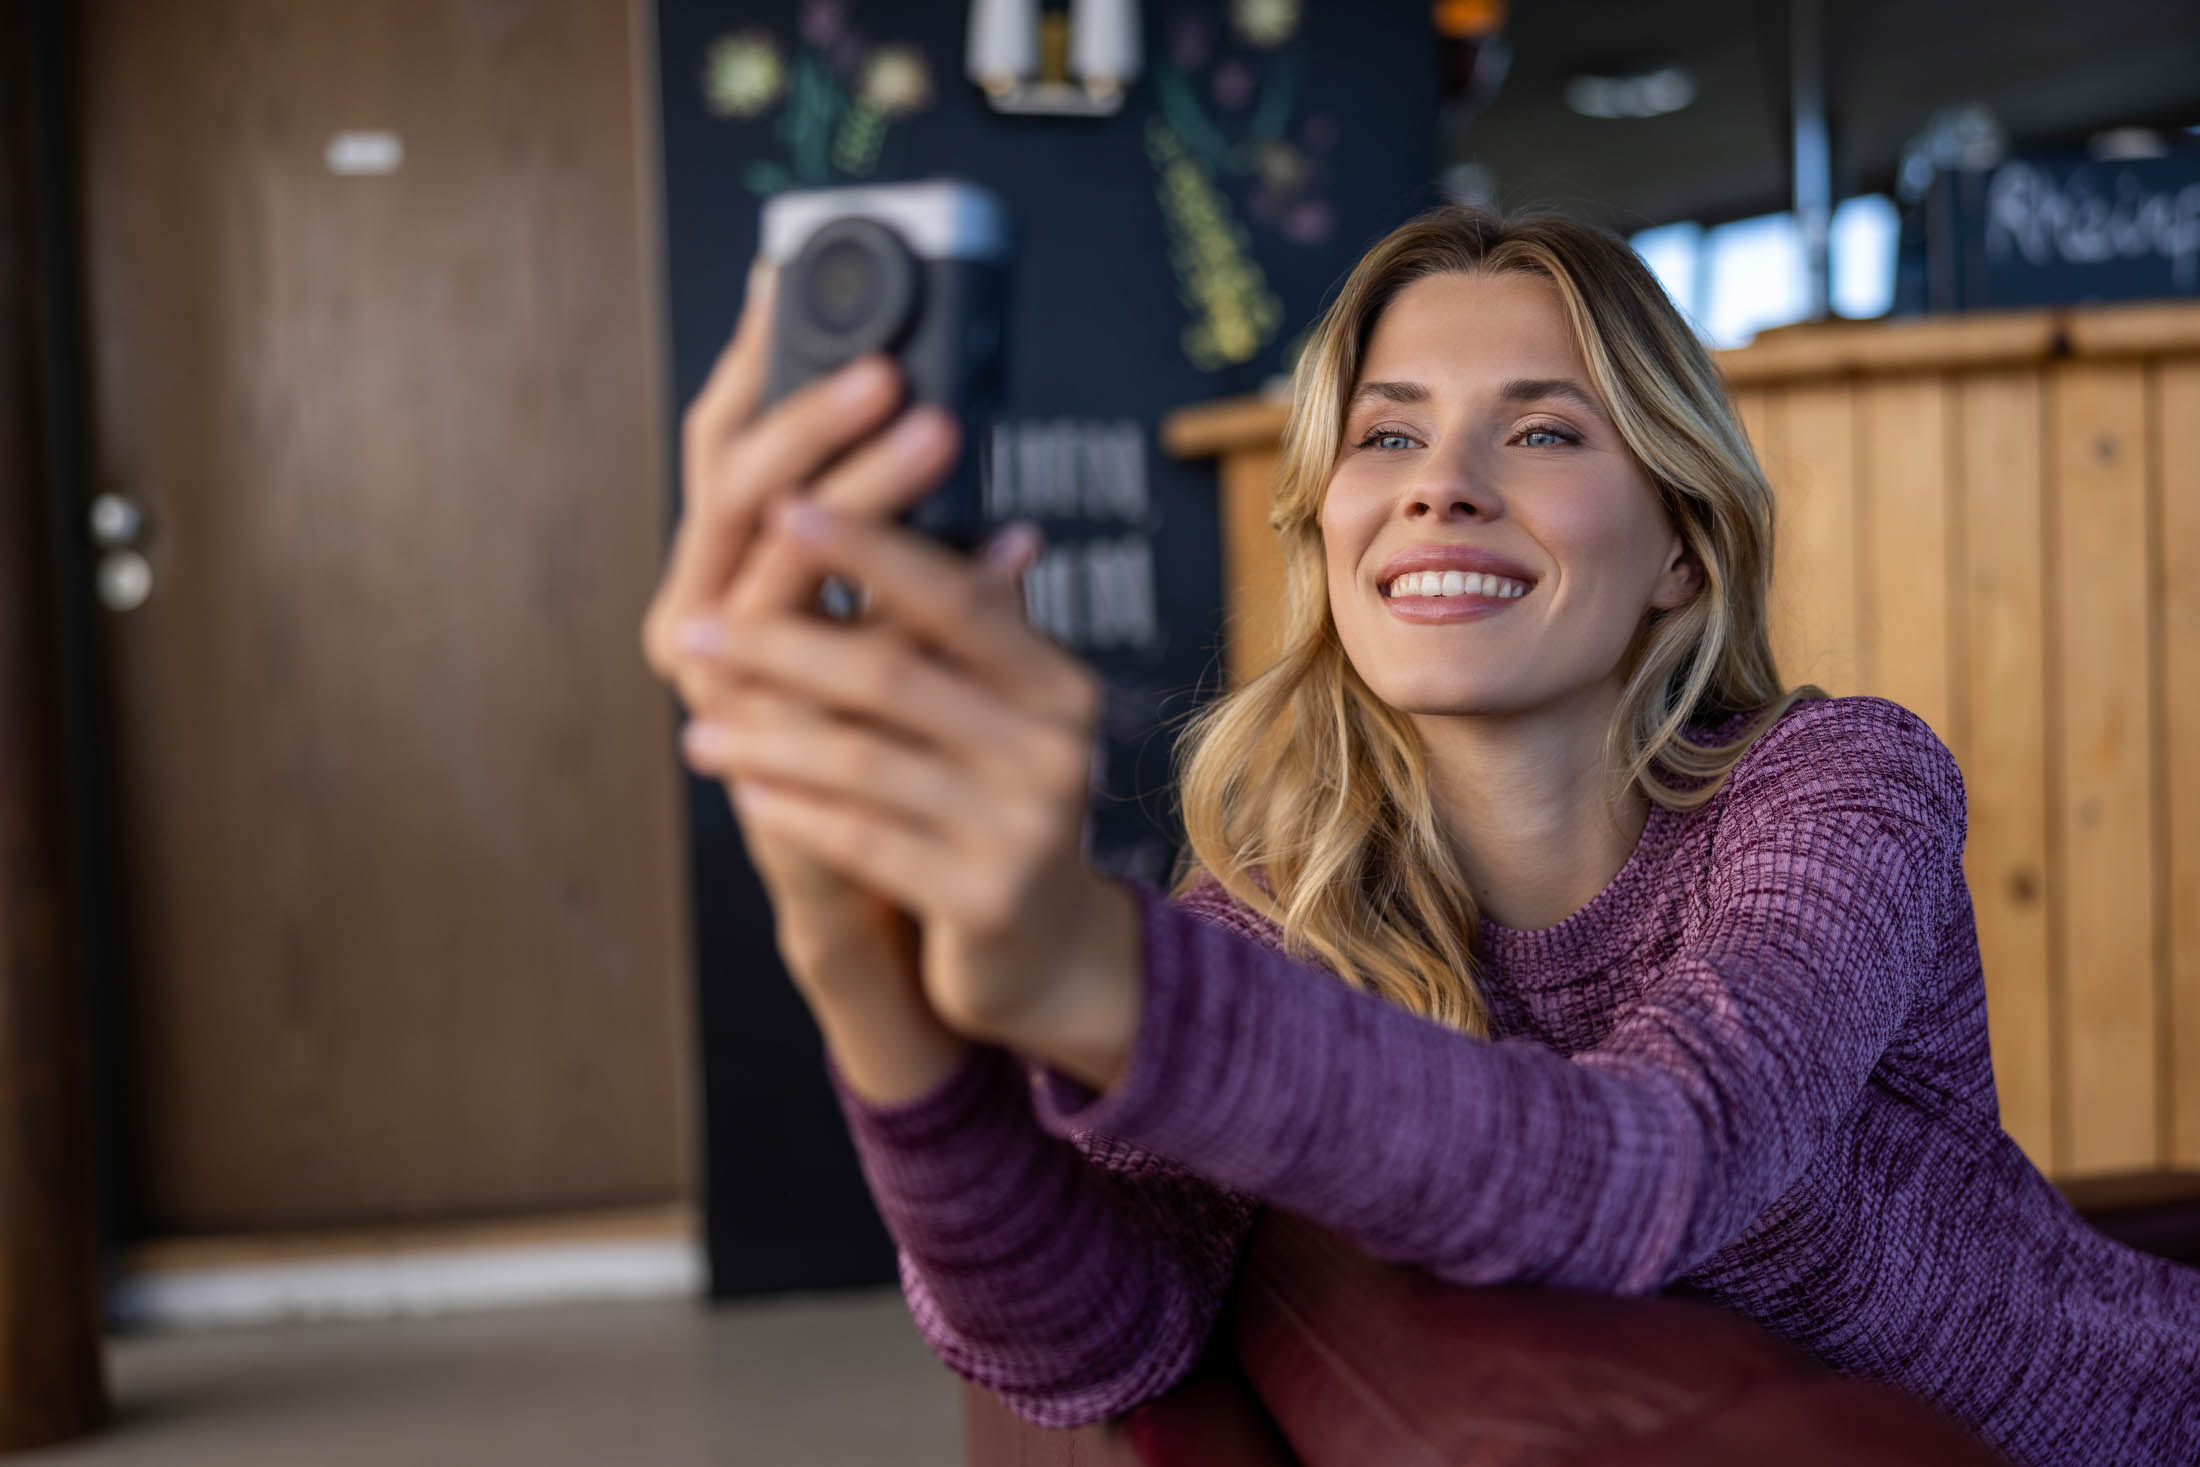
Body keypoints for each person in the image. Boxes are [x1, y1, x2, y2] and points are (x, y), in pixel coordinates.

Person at [642, 207, 2200, 1467]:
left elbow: (1658, 1164)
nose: (1440, 491)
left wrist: (1089, 972)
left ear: (1678, 546)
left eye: (1540, 436)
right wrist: (859, 972)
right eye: (1387, 439)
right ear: (1330, 525)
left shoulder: (1841, 787)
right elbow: (1091, 1345)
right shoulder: (1266, 927)